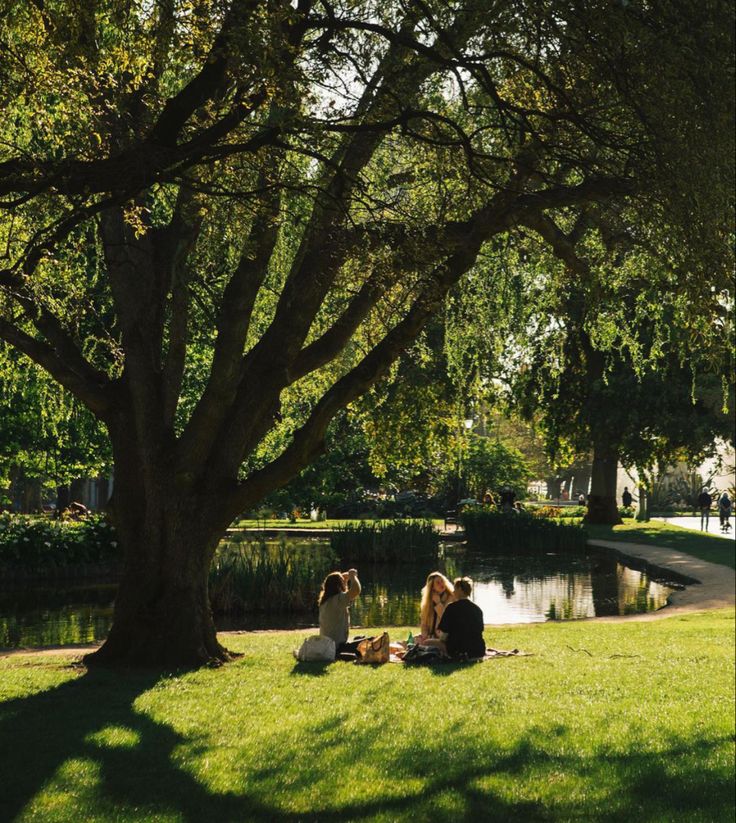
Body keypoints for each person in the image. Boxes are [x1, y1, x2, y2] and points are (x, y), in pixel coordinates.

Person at [435, 577, 486, 660]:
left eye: (455, 589)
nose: (453, 591)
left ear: (460, 589)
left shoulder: (451, 608)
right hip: (478, 651)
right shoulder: (477, 609)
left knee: (428, 642)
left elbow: (443, 637)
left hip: (458, 650)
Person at [318, 568, 361, 654]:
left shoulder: (325, 601)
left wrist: (343, 577)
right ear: (338, 586)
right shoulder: (338, 600)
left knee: (360, 638)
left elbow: (344, 590)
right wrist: (352, 576)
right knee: (370, 641)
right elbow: (356, 590)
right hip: (337, 647)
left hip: (327, 645)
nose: (344, 583)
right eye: (342, 582)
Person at [418, 572, 454, 641]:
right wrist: (424, 635)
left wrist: (438, 603)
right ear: (432, 587)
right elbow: (424, 623)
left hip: (446, 637)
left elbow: (447, 620)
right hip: (430, 636)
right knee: (409, 642)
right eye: (438, 582)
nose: (441, 584)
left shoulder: (451, 598)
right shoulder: (427, 601)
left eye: (442, 581)